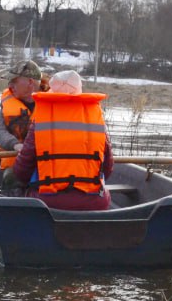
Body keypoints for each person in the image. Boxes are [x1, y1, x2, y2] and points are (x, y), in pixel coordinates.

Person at [11, 69, 113, 211]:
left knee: (17, 186)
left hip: (48, 202)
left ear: (53, 91)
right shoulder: (96, 121)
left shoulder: (42, 120)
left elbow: (22, 170)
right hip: (93, 202)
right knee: (103, 193)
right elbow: (107, 169)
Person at [0, 59, 43, 169]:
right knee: (10, 180)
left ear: (30, 82)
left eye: (14, 81)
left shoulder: (52, 102)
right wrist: (15, 144)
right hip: (16, 164)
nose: (10, 86)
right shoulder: (8, 102)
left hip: (43, 164)